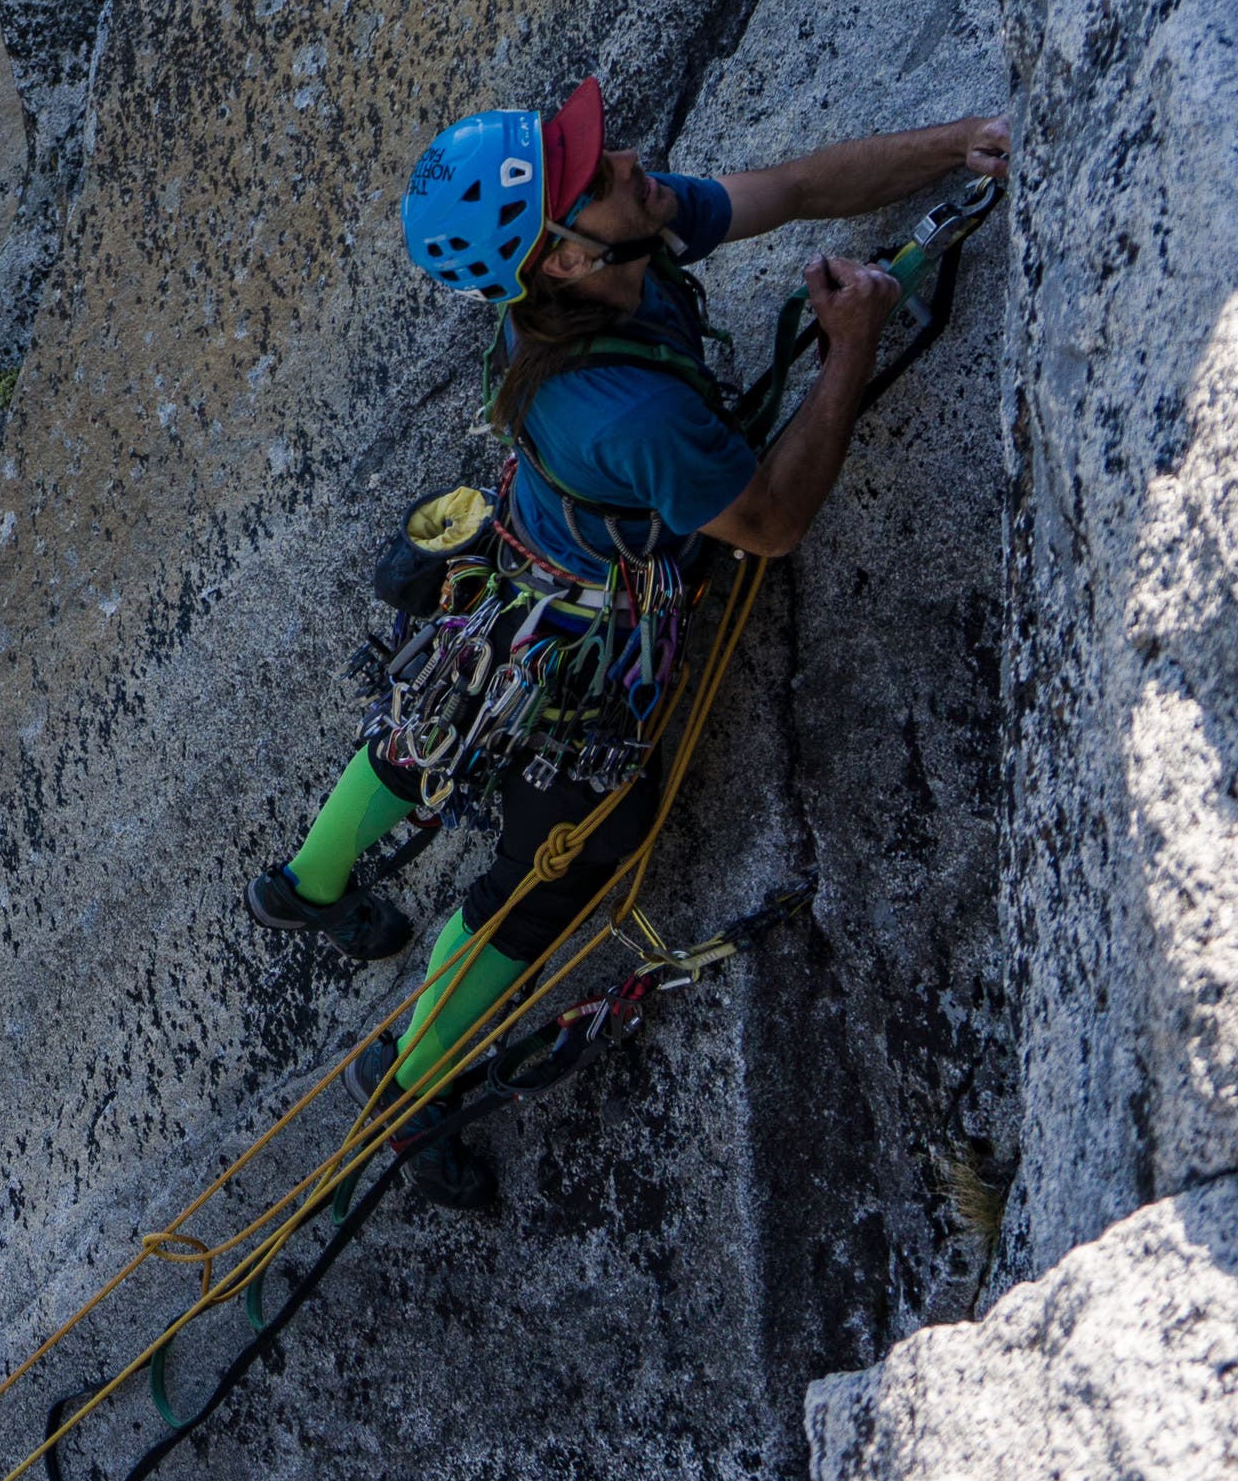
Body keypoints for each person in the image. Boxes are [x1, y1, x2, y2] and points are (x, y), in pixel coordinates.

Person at [242, 77, 1011, 1206]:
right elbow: (771, 523)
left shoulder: (612, 248)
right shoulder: (631, 413)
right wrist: (851, 347)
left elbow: (794, 186)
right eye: (592, 172)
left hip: (519, 568)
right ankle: (404, 1089)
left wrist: (962, 141)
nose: (626, 160)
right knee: (557, 865)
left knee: (429, 722)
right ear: (562, 255)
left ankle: (307, 886)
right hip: (594, 638)